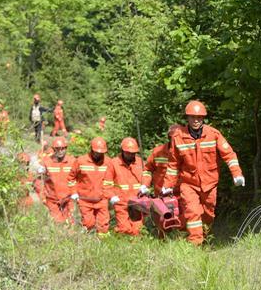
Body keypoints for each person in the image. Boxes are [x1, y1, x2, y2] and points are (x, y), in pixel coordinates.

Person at [161, 101, 245, 245]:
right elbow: (173, 164)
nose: (196, 120)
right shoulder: (178, 137)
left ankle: (204, 238)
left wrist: (237, 174)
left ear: (203, 118)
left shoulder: (213, 134)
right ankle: (195, 245)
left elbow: (229, 155)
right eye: (193, 117)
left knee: (208, 215)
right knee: (192, 212)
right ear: (187, 118)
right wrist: (168, 184)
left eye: (199, 117)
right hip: (189, 184)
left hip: (210, 184)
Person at [68, 137, 111, 234]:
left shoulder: (108, 162)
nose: (99, 154)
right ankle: (89, 242)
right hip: (84, 200)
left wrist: (110, 195)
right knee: (88, 224)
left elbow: (110, 180)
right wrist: (73, 192)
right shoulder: (81, 161)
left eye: (101, 153)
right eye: (97, 152)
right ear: (91, 149)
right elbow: (71, 178)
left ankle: (103, 245)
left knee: (103, 226)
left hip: (102, 199)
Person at [104, 137, 145, 236]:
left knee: (137, 230)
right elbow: (106, 184)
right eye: (128, 153)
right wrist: (111, 196)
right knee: (124, 229)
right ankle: (120, 240)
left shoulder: (140, 162)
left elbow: (147, 175)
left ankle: (136, 246)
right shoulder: (113, 163)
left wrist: (145, 185)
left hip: (137, 201)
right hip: (121, 201)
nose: (131, 155)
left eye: (133, 153)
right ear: (122, 151)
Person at [39, 136, 76, 223]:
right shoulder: (46, 161)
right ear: (53, 149)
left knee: (70, 222)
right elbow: (39, 181)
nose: (60, 151)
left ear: (66, 148)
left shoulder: (72, 161)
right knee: (58, 222)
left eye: (62, 148)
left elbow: (79, 178)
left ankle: (70, 236)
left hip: (68, 198)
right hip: (52, 198)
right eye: (57, 149)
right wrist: (42, 196)